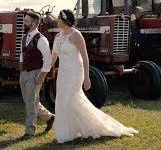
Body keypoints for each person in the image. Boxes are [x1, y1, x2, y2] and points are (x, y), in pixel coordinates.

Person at [51, 9, 139, 143]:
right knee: (62, 101)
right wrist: (45, 70)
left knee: (69, 99)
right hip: (63, 73)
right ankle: (67, 132)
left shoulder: (76, 35)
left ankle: (93, 126)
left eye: (58, 19)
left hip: (75, 71)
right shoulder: (58, 37)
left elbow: (85, 58)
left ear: (65, 20)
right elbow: (53, 57)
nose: (56, 21)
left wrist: (87, 77)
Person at [19, 11, 55, 140]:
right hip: (24, 73)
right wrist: (21, 71)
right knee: (30, 101)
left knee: (31, 102)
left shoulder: (41, 39)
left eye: (26, 21)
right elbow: (22, 55)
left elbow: (48, 58)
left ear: (34, 24)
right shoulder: (24, 37)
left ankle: (30, 131)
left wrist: (42, 75)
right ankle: (50, 118)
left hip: (35, 73)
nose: (24, 23)